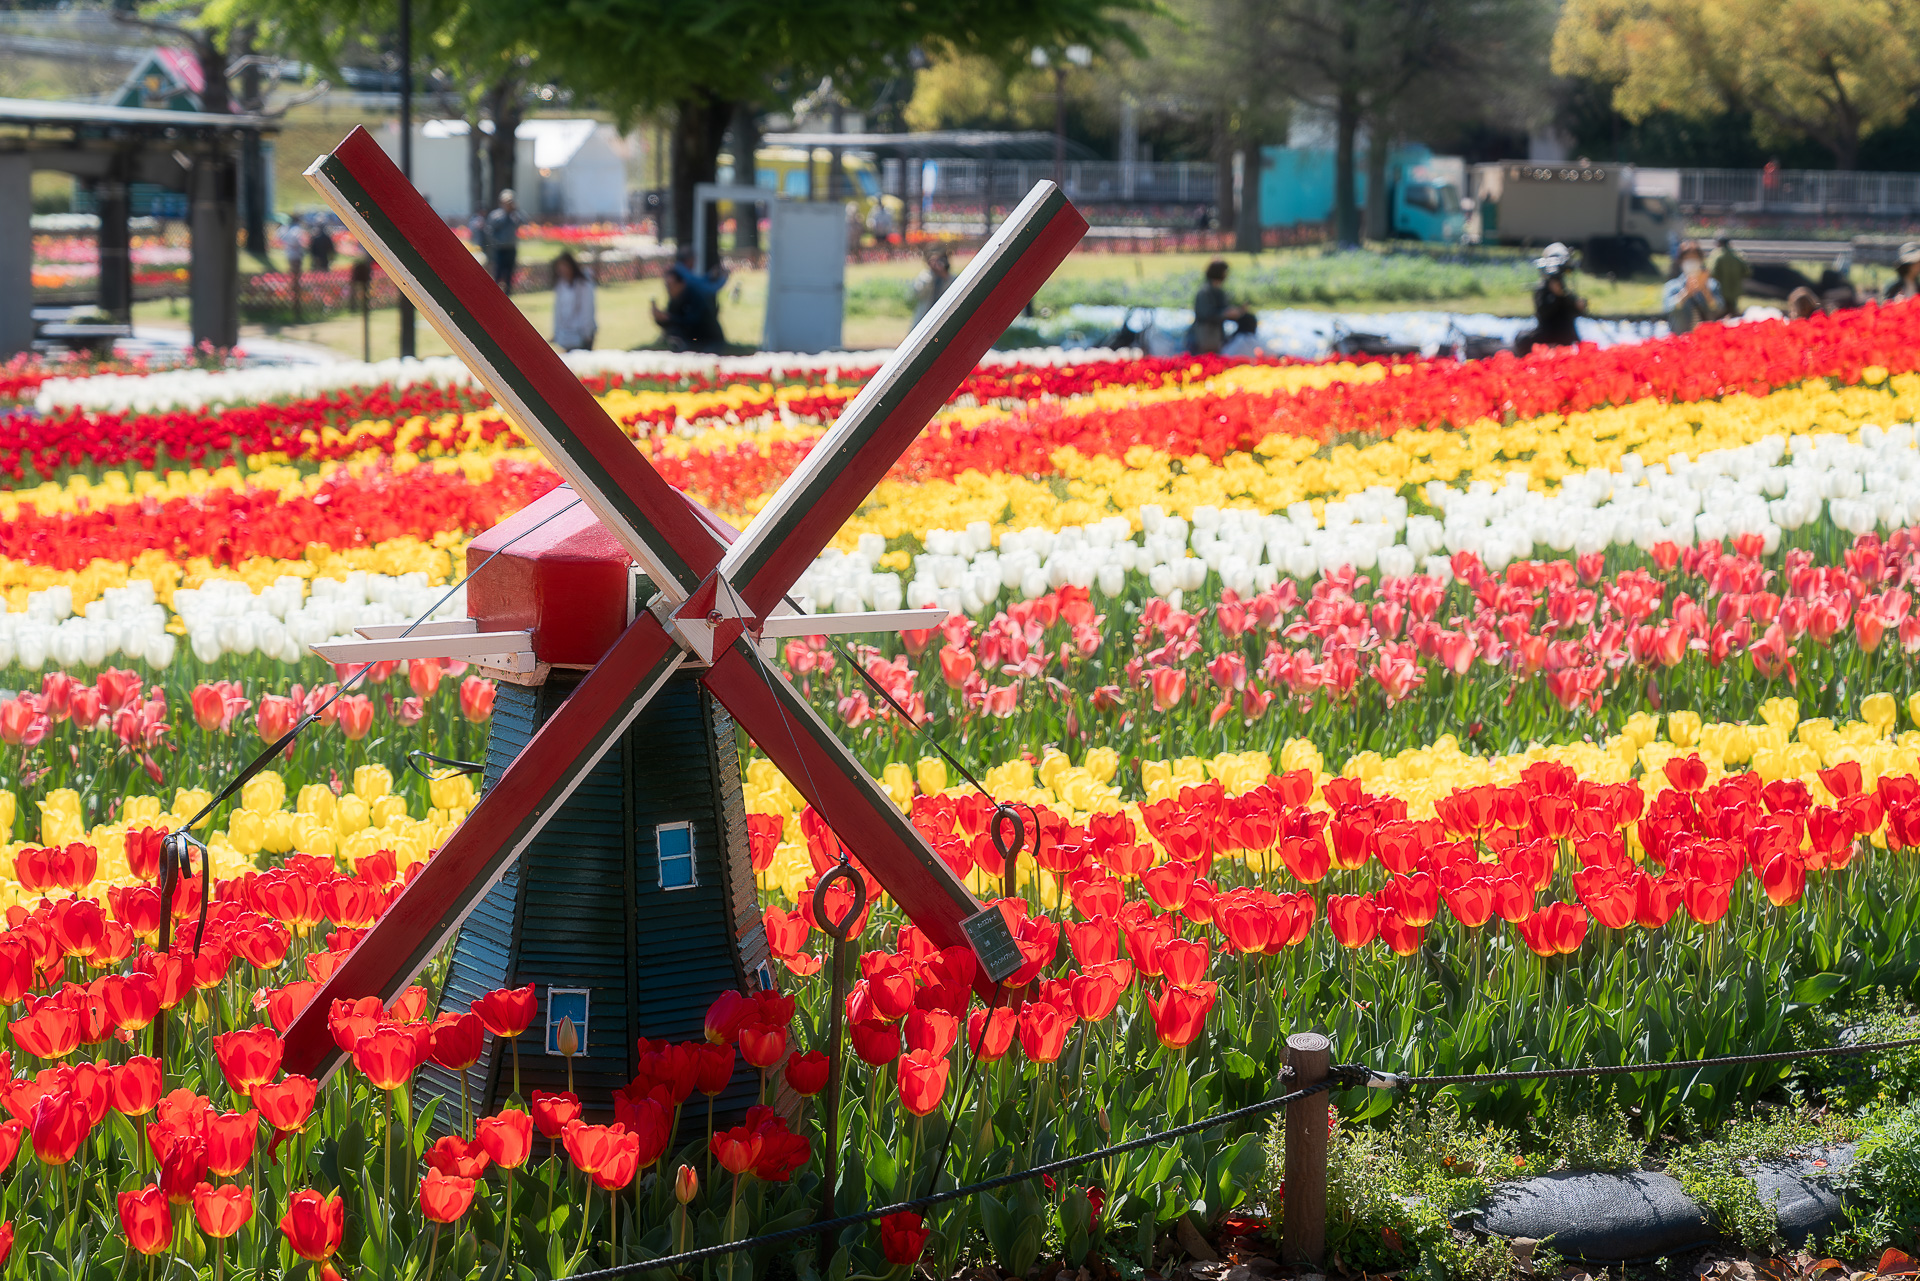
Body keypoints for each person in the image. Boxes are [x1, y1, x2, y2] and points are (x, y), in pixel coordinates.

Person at [1513, 242, 1586, 356]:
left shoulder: (1565, 290)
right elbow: (1543, 312)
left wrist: (1572, 301)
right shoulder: (1542, 289)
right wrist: (1555, 296)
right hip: (1546, 332)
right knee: (1523, 339)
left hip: (1565, 334)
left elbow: (1575, 311)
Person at [652, 264, 725, 351]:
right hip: (691, 340)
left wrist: (669, 318)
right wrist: (660, 320)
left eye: (670, 285)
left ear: (681, 284)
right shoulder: (675, 299)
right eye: (666, 286)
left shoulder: (695, 296)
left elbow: (692, 323)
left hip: (708, 341)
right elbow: (673, 324)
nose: (668, 289)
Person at [1662, 240, 1724, 334]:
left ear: (1701, 261)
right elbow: (1668, 309)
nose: (1691, 263)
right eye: (1687, 259)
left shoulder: (1712, 284)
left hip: (1706, 340)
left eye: (1694, 259)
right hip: (1681, 340)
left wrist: (1705, 290)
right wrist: (1686, 293)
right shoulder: (1672, 286)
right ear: (1681, 262)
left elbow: (1719, 309)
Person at [1189, 259, 1248, 355]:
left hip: (1216, 334)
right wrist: (1225, 314)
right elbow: (1205, 314)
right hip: (1205, 334)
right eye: (1225, 272)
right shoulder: (1205, 292)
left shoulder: (1219, 290)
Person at [483, 189, 528, 293]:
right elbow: (489, 230)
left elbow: (524, 221)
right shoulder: (496, 215)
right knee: (498, 272)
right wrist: (495, 242)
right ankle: (495, 293)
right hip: (500, 249)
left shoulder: (515, 215)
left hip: (511, 247)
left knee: (509, 273)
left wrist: (516, 209)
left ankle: (508, 293)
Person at [551, 251, 596, 351]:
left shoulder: (584, 284)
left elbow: (587, 309)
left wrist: (587, 333)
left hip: (582, 333)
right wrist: (556, 332)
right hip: (567, 335)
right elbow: (558, 310)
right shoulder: (561, 285)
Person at [911, 250, 953, 325]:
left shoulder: (950, 278)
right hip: (925, 315)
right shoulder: (925, 276)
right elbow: (918, 293)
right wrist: (931, 278)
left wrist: (944, 275)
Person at [1709, 234, 1748, 311]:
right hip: (1734, 290)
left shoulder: (1717, 256)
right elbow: (1747, 272)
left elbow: (1711, 273)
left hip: (1720, 291)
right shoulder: (1737, 256)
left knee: (1721, 313)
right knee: (1733, 313)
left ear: (1718, 243)